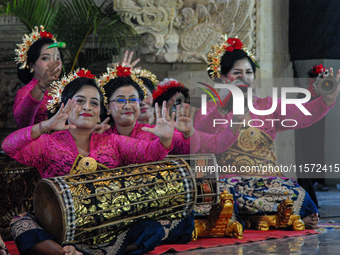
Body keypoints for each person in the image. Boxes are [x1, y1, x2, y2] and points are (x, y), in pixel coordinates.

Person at [2, 69, 185, 254]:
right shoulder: (49, 143)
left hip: (107, 227)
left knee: (153, 229)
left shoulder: (112, 142)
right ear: (64, 105)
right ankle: (64, 252)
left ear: (100, 112)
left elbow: (148, 152)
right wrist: (45, 126)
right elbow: (9, 146)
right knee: (21, 223)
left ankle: (85, 252)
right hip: (58, 228)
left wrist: (165, 140)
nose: (87, 107)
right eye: (80, 101)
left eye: (94, 103)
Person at [193, 36, 340, 229]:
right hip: (228, 182)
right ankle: (270, 219)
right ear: (222, 77)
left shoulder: (267, 105)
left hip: (265, 182)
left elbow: (304, 115)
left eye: (248, 72)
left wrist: (327, 100)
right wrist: (223, 107)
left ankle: (259, 219)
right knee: (226, 200)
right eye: (236, 73)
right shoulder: (210, 108)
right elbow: (200, 135)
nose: (243, 77)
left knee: (303, 201)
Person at [98, 65, 195, 155]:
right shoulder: (99, 135)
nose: (127, 106)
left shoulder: (153, 132)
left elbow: (189, 149)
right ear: (107, 106)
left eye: (133, 100)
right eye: (120, 100)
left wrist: (188, 133)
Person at [13, 25, 64, 128]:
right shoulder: (25, 92)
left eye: (56, 58)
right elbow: (23, 122)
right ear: (32, 65)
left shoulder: (66, 89)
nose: (52, 63)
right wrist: (42, 86)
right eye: (45, 58)